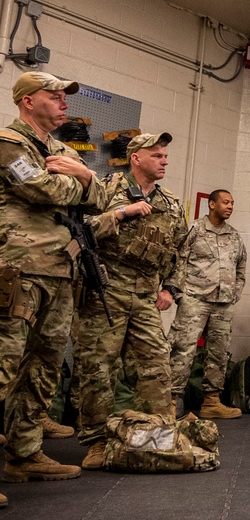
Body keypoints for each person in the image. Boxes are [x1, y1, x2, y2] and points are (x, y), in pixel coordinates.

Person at [0, 72, 107, 498]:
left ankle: (23, 453)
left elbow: (100, 197)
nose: (64, 102)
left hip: (60, 271)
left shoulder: (62, 150)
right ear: (28, 101)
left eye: (66, 96)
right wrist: (79, 180)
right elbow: (36, 186)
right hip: (18, 269)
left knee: (43, 368)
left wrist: (81, 177)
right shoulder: (8, 141)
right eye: (54, 95)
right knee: (4, 362)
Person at [76, 132, 188, 469]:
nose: (164, 160)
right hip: (105, 292)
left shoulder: (171, 203)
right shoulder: (107, 188)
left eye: (165, 156)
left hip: (145, 296)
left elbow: (179, 251)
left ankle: (153, 437)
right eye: (157, 155)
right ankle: (96, 441)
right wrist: (122, 213)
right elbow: (80, 230)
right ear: (136, 157)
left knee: (156, 367)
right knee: (97, 368)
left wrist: (170, 288)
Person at [168, 189, 246, 420]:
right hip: (195, 299)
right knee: (183, 349)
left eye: (232, 202)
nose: (230, 206)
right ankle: (171, 401)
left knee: (219, 353)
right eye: (225, 202)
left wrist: (235, 292)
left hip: (223, 303)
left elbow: (241, 267)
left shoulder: (234, 236)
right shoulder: (194, 230)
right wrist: (181, 294)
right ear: (211, 204)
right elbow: (177, 261)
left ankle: (212, 401)